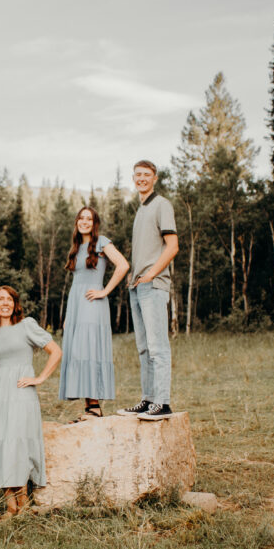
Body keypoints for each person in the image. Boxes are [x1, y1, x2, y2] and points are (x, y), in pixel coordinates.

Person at [0, 286, 61, 518]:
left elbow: (55, 351)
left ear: (16, 303)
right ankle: (10, 506)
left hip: (22, 389)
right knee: (1, 439)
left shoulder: (27, 325)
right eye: (0, 299)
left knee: (19, 442)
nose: (5, 303)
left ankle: (23, 501)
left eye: (9, 299)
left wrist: (40, 378)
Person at [118, 160, 179, 421]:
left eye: (146, 174)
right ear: (134, 178)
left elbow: (172, 246)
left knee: (158, 347)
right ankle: (148, 399)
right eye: (137, 175)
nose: (141, 178)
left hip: (153, 285)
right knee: (143, 348)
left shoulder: (161, 204)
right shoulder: (141, 210)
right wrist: (134, 275)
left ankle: (162, 403)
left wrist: (151, 273)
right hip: (137, 285)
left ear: (155, 178)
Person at [58, 207, 129, 421]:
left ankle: (95, 406)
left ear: (94, 223)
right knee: (79, 351)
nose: (84, 222)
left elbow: (123, 265)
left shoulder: (102, 242)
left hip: (92, 302)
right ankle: (89, 406)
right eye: (81, 218)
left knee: (90, 349)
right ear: (77, 221)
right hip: (76, 304)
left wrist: (105, 291)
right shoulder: (76, 247)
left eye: (89, 219)